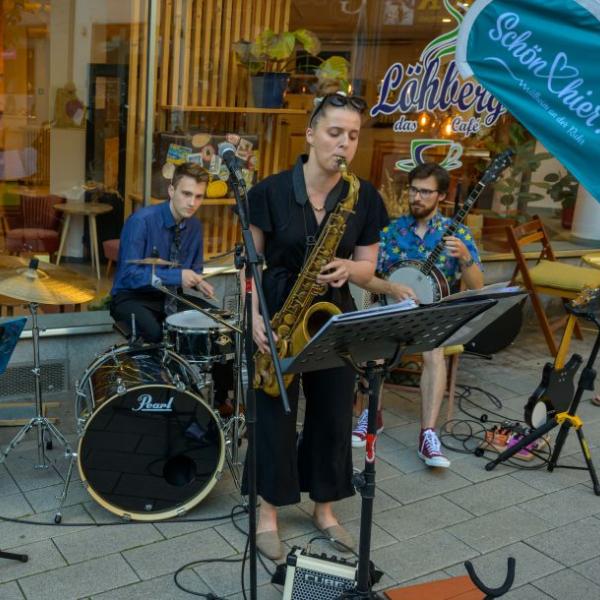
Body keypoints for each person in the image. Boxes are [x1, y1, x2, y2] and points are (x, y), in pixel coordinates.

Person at [243, 90, 389, 561]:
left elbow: (370, 268)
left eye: (352, 136)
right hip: (278, 315)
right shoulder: (268, 191)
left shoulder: (363, 197)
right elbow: (249, 264)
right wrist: (253, 317)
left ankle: (324, 509)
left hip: (333, 318)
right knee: (274, 416)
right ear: (310, 135)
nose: (344, 144)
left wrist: (350, 268)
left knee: (331, 415)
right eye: (334, 133)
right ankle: (268, 512)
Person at [353, 162, 483, 468]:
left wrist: (465, 258)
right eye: (414, 190)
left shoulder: (457, 233)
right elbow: (364, 277)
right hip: (395, 311)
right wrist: (390, 287)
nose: (417, 197)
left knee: (434, 353)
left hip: (433, 317)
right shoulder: (390, 232)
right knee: (373, 338)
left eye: (425, 192)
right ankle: (372, 414)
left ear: (441, 196)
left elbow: (478, 286)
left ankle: (427, 435)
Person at [110, 161, 215, 343]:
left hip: (170, 297)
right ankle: (154, 371)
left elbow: (194, 269)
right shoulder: (140, 221)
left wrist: (198, 282)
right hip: (132, 297)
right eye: (186, 194)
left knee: (218, 326)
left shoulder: (194, 226)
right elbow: (129, 275)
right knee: (155, 334)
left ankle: (187, 371)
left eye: (199, 196)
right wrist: (178, 276)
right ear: (172, 191)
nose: (192, 203)